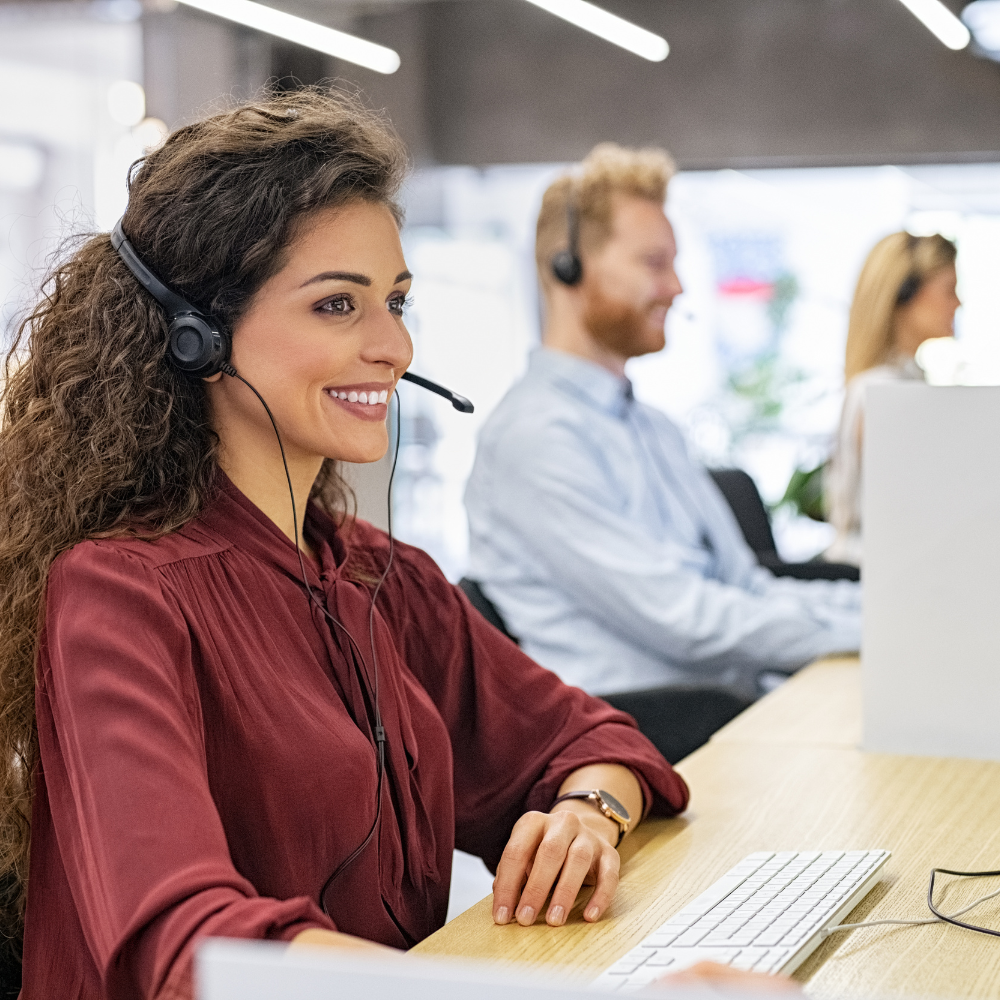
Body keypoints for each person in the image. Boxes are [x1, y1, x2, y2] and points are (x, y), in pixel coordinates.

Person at [0, 93, 696, 1000]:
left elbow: (593, 738)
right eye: (338, 305)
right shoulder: (116, 595)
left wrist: (586, 815)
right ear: (198, 334)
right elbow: (189, 950)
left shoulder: (379, 575)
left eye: (397, 302)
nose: (395, 346)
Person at [464, 144, 862, 701]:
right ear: (568, 266)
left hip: (731, 708)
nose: (676, 287)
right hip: (648, 734)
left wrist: (888, 614)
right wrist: (874, 632)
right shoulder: (534, 439)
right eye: (654, 263)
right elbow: (687, 622)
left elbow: (744, 587)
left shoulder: (653, 429)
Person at [825, 232, 959, 566]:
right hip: (873, 576)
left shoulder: (900, 383)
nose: (958, 303)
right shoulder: (886, 393)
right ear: (905, 293)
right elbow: (919, 511)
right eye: (949, 290)